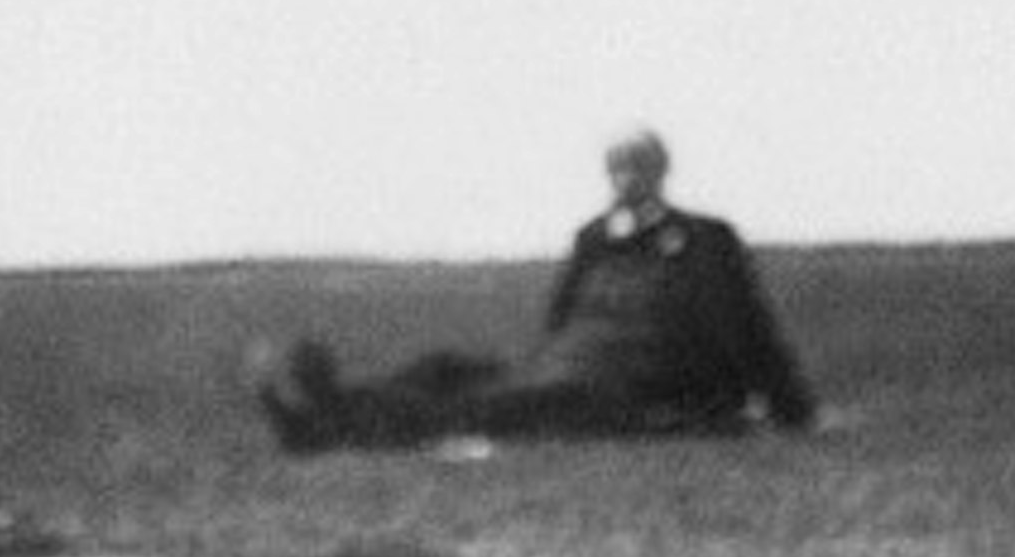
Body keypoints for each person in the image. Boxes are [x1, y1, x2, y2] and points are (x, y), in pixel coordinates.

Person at [251, 127, 818, 448]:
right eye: (617, 169)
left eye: (636, 168)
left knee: (486, 409)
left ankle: (324, 428)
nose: (625, 181)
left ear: (660, 172)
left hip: (636, 387)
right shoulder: (595, 238)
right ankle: (334, 400)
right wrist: (539, 362)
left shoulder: (704, 239)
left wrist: (789, 406)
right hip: (569, 367)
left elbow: (749, 327)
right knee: (443, 369)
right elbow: (559, 322)